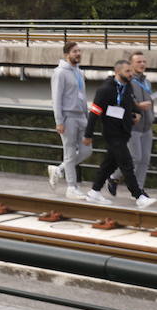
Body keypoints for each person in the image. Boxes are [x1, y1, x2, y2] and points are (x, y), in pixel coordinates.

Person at [84, 59, 155, 208]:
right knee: (127, 163)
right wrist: (88, 135)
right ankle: (138, 196)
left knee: (109, 164)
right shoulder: (105, 90)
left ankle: (94, 192)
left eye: (130, 71)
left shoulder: (127, 87)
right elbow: (94, 113)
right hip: (112, 133)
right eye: (127, 71)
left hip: (124, 132)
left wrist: (136, 114)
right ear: (117, 72)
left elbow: (129, 104)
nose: (130, 74)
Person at [47, 41, 90, 198]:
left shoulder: (79, 72)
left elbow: (83, 97)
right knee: (70, 153)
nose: (78, 54)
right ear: (67, 55)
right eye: (74, 51)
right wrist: (59, 121)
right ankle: (71, 187)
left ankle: (59, 169)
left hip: (81, 117)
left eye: (79, 51)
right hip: (68, 117)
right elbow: (56, 98)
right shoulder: (60, 73)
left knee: (87, 150)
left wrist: (86, 116)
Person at [109, 51, 154, 197]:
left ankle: (139, 190)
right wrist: (139, 106)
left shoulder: (146, 82)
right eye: (138, 62)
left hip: (147, 127)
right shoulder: (127, 82)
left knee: (144, 160)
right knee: (135, 157)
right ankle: (113, 177)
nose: (142, 64)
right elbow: (122, 103)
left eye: (143, 62)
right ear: (131, 64)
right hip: (133, 127)